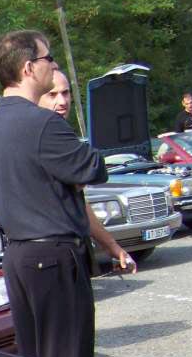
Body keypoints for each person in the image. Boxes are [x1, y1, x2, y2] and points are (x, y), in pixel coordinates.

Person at [0, 30, 110, 357]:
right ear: (28, 68)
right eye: (47, 58)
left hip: (19, 257)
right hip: (53, 257)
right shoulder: (42, 124)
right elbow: (92, 168)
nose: (53, 65)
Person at [39, 70, 137, 278]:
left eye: (66, 93)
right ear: (36, 96)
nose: (62, 101)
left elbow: (78, 203)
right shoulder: (41, 139)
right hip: (48, 259)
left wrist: (112, 246)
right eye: (52, 94)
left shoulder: (63, 137)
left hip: (74, 253)